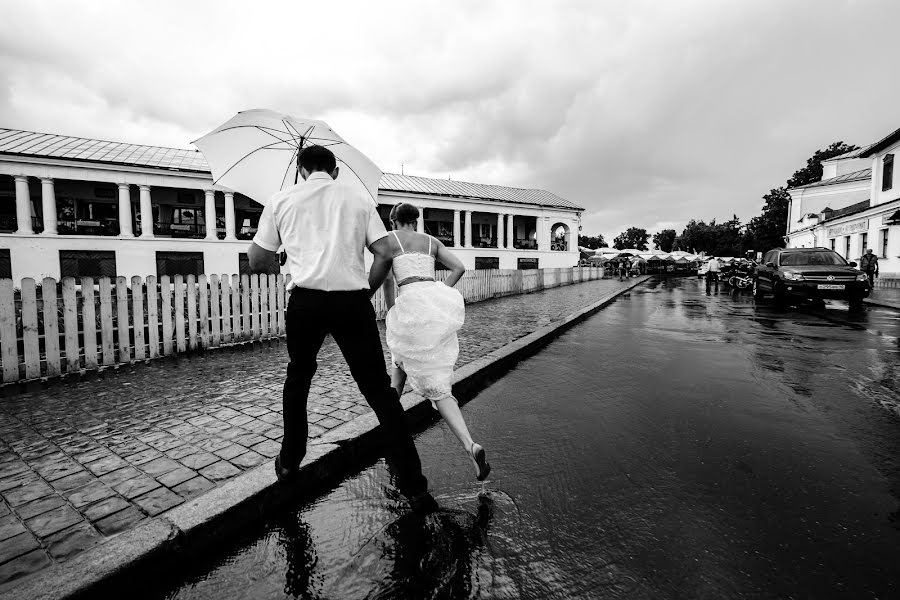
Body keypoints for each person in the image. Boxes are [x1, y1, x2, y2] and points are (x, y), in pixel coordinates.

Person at [248, 145, 436, 513]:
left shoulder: (281, 200)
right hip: (352, 303)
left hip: (305, 302)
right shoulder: (359, 199)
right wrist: (365, 288)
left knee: (299, 375)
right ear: (335, 172)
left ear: (301, 169)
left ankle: (290, 459)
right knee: (379, 391)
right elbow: (384, 252)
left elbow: (257, 259)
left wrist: (285, 260)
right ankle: (415, 485)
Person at [384, 203, 491, 481]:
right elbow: (458, 267)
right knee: (409, 372)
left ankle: (395, 438)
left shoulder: (390, 240)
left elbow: (386, 282)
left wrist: (391, 312)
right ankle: (469, 445)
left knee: (420, 378)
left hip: (407, 307)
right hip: (431, 308)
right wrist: (439, 291)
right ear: (416, 220)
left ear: (394, 220)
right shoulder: (431, 241)